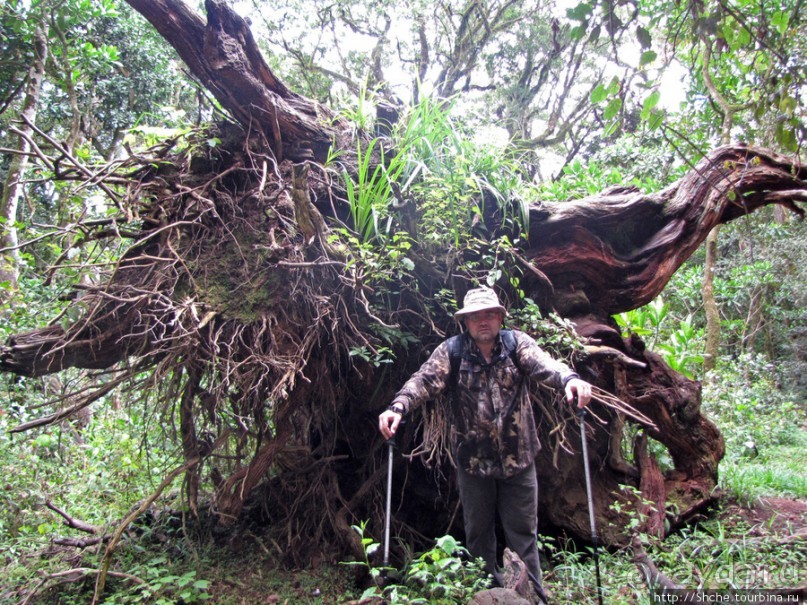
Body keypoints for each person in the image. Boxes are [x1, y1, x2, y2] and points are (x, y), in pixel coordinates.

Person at [378, 286, 592, 604]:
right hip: (473, 463)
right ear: (465, 321)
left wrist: (569, 379)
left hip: (518, 460)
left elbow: (544, 364)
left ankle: (532, 597)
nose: (483, 321)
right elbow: (424, 381)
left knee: (523, 534)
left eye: (489, 314)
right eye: (476, 316)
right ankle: (487, 595)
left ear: (500, 318)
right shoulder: (451, 351)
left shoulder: (516, 344)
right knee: (478, 534)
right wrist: (397, 407)